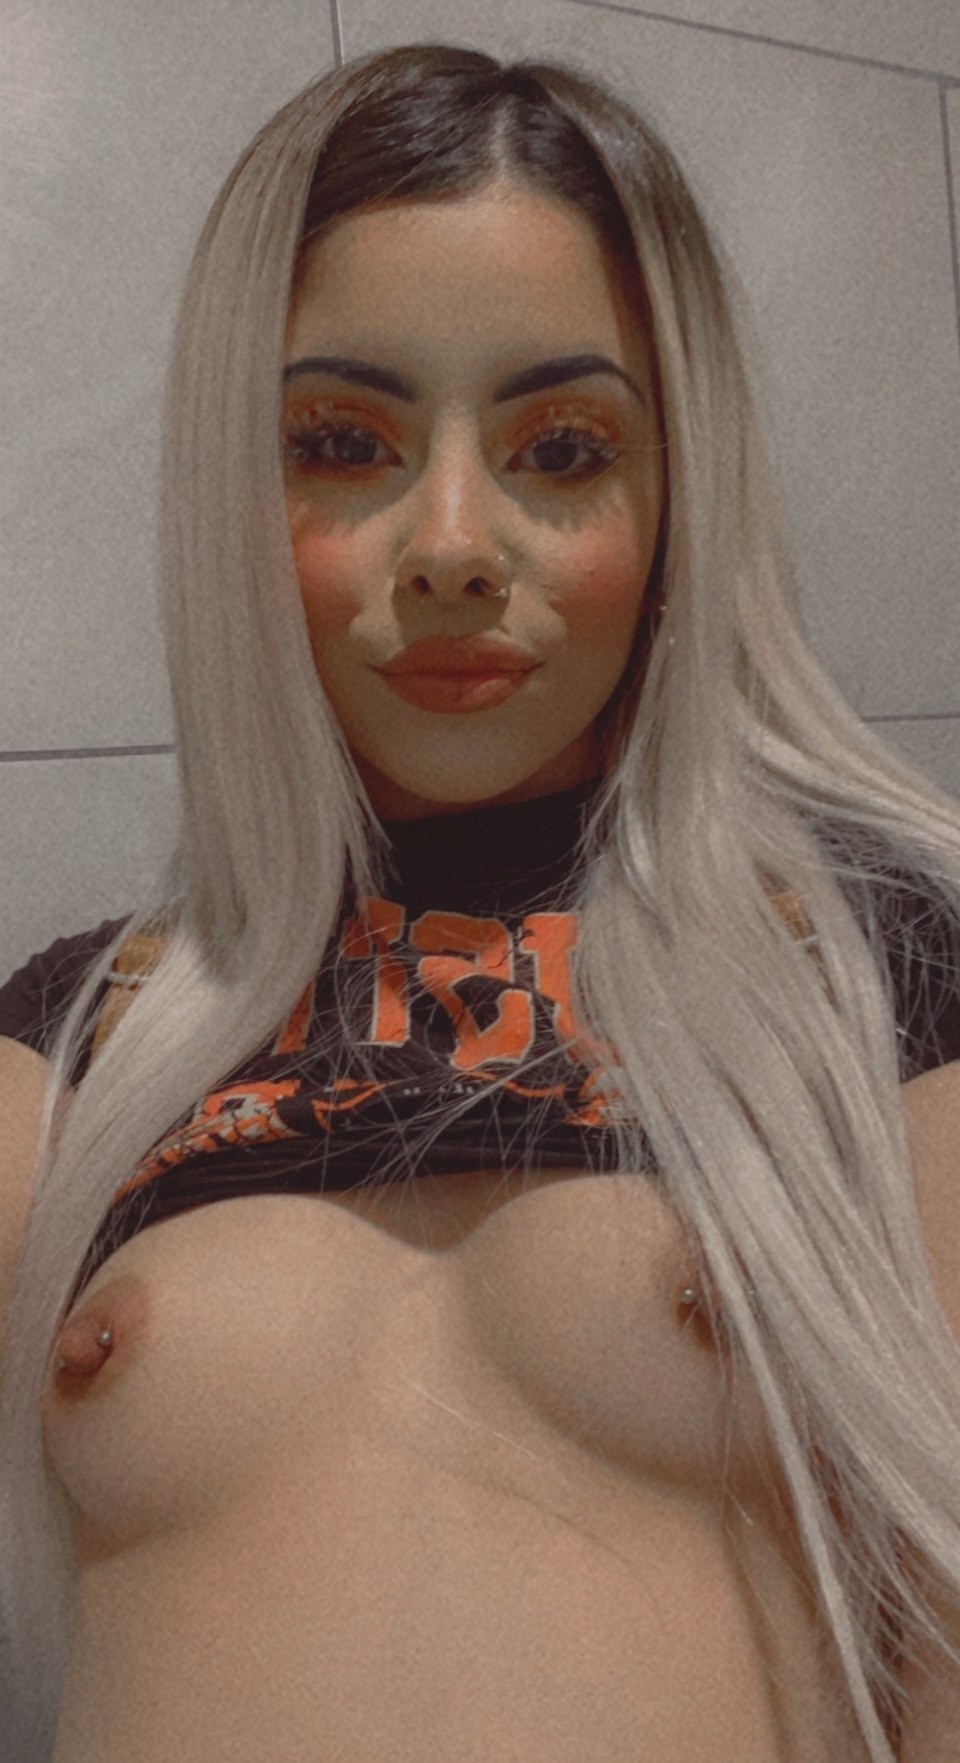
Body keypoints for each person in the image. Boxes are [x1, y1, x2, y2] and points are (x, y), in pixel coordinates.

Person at [1, 42, 959, 1763]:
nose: (451, 543)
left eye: (562, 447)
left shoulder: (885, 977)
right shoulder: (74, 1049)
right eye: (341, 442)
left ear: (677, 500)